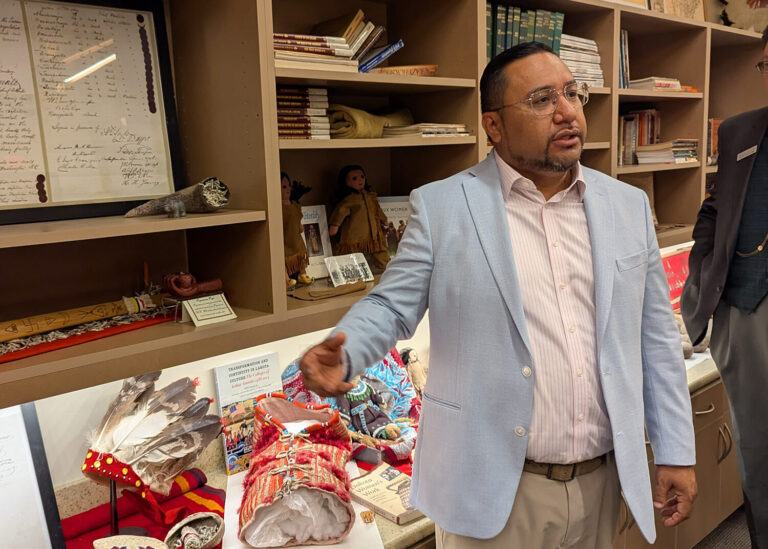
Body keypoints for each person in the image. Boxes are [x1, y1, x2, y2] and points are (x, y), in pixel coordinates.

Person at [300, 42, 696, 549]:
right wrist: (348, 349)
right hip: (490, 491)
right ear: (493, 126)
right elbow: (390, 305)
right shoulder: (443, 206)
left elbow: (656, 340)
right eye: (541, 99)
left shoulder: (627, 206)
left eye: (573, 94)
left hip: (603, 482)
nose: (566, 111)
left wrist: (676, 451)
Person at [681, 25, 768, 549]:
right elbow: (714, 211)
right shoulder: (739, 132)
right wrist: (701, 278)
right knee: (758, 458)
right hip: (746, 314)